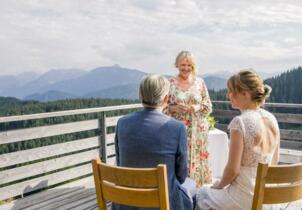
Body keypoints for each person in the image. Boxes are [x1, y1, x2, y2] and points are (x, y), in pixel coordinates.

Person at [196, 69, 280, 210]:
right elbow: (274, 161)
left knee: (202, 193)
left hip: (243, 198)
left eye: (231, 91)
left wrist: (219, 185)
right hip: (266, 198)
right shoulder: (272, 119)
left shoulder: (239, 122)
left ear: (245, 94)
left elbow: (233, 170)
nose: (229, 95)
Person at [112, 74, 196, 210]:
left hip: (126, 201)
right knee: (191, 186)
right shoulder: (177, 127)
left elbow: (121, 163)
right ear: (165, 98)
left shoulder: (122, 123)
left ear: (140, 96)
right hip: (162, 202)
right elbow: (181, 175)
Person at [165, 50, 213, 186]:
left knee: (196, 159)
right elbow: (163, 107)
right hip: (177, 130)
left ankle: (196, 191)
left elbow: (208, 106)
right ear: (177, 65)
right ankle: (178, 190)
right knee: (179, 158)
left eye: (189, 65)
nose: (186, 68)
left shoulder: (200, 83)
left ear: (193, 66)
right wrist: (174, 108)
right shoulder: (170, 83)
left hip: (198, 131)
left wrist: (195, 108)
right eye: (183, 65)